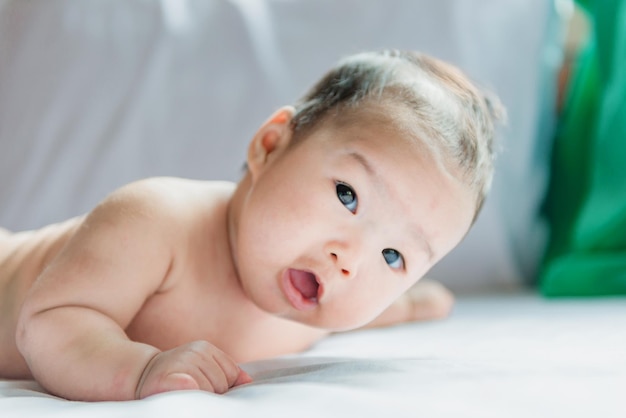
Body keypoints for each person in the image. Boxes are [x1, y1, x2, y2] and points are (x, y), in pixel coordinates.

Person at [0, 49, 502, 401]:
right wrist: (141, 370)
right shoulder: (156, 222)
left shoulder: (321, 301)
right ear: (270, 145)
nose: (349, 260)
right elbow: (47, 321)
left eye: (394, 257)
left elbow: (371, 307)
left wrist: (411, 304)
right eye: (348, 196)